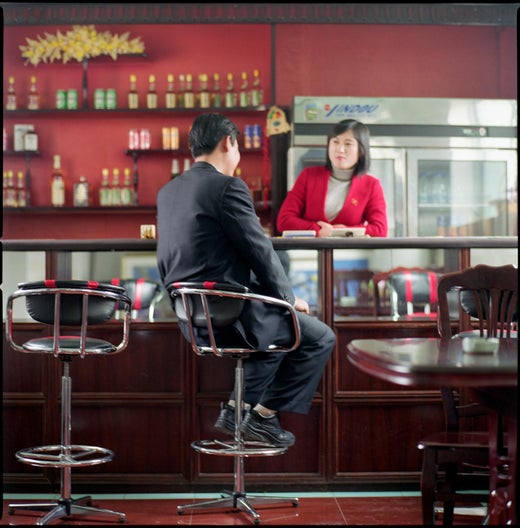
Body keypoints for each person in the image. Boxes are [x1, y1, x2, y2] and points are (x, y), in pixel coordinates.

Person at [156, 113, 335, 447]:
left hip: (191, 317)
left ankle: (237, 410)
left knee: (277, 331)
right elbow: (260, 250)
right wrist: (288, 299)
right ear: (229, 143)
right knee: (319, 336)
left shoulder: (168, 192)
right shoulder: (227, 186)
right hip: (231, 314)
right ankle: (261, 416)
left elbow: (164, 259)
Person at [277, 119, 388, 238]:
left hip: (350, 249)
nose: (340, 149)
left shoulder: (371, 185)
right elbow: (284, 221)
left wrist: (344, 232)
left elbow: (380, 229)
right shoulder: (308, 176)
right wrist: (317, 230)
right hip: (309, 249)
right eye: (335, 142)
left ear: (361, 150)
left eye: (348, 144)